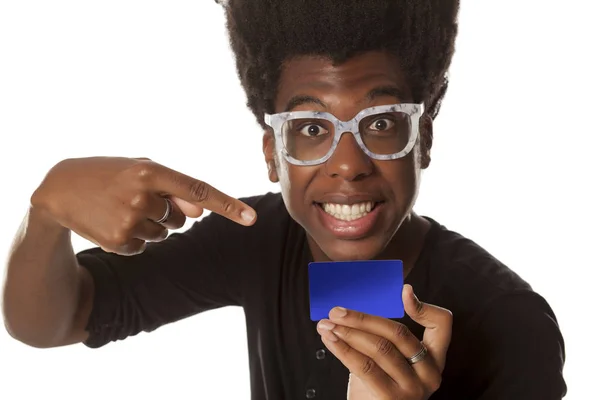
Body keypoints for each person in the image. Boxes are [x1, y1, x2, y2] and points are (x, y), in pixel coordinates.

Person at [2, 0, 567, 399]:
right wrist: (46, 211)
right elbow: (54, 321)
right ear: (273, 155)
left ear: (423, 142)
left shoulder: (512, 325)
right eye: (312, 128)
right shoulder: (258, 237)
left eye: (381, 123)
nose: (348, 165)